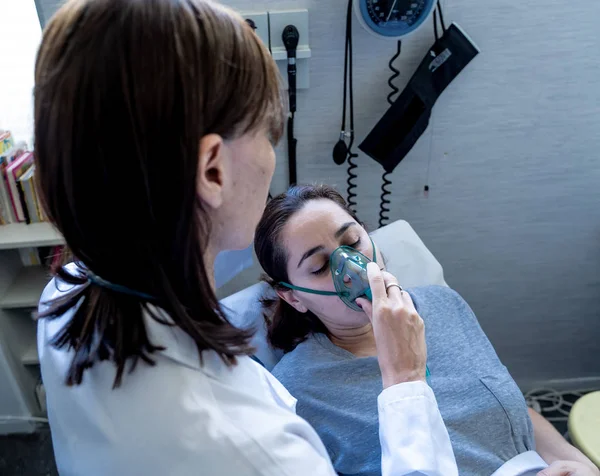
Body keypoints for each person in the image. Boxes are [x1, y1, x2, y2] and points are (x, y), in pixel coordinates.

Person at [34, 0, 457, 474]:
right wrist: (403, 382)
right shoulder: (253, 450)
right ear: (212, 169)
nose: (270, 161)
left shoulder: (71, 288)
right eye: (266, 134)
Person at [254, 184, 600, 476]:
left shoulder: (443, 305)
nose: (352, 268)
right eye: (319, 266)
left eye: (353, 241)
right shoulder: (297, 392)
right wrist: (403, 374)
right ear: (294, 297)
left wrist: (576, 464)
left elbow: (513, 410)